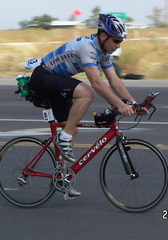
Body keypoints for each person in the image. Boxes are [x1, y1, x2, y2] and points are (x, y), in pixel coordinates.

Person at [25, 14, 146, 197]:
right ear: (103, 36)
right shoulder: (87, 48)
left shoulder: (103, 52)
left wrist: (133, 103)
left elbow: (114, 81)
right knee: (87, 92)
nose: (118, 45)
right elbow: (97, 84)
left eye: (120, 42)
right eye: (116, 41)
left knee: (73, 129)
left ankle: (62, 178)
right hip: (42, 77)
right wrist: (120, 105)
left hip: (57, 81)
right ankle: (63, 138)